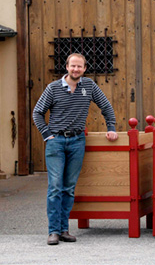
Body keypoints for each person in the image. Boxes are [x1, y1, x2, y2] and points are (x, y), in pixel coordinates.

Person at [33, 53, 118, 245]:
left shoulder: (89, 86)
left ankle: (64, 230)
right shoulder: (53, 88)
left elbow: (106, 107)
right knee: (55, 187)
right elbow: (37, 112)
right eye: (73, 66)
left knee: (69, 188)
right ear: (67, 67)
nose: (76, 69)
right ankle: (53, 231)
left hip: (77, 141)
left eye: (79, 67)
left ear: (85, 68)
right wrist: (47, 135)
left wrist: (111, 128)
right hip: (56, 142)